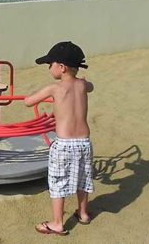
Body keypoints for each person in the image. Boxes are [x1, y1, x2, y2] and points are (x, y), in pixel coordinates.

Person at [25, 41, 94, 236]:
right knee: (83, 178)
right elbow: (91, 86)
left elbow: (28, 102)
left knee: (58, 182)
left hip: (64, 145)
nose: (49, 68)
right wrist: (83, 81)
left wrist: (42, 94)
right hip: (84, 143)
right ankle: (83, 213)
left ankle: (57, 223)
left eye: (50, 64)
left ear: (61, 67)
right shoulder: (82, 85)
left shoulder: (54, 88)